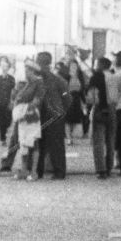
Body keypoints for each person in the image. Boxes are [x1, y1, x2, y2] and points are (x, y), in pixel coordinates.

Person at [32, 51, 70, 179]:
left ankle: (38, 171)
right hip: (56, 115)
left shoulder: (37, 78)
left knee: (39, 144)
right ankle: (59, 172)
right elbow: (68, 98)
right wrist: (62, 110)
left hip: (40, 115)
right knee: (57, 145)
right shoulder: (59, 79)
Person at [88, 55, 115, 179]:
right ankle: (109, 167)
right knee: (110, 140)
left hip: (99, 108)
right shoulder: (114, 76)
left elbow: (91, 94)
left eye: (96, 64)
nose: (95, 66)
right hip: (113, 109)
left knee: (98, 140)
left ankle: (101, 169)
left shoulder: (96, 77)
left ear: (102, 65)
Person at [0, 56, 16, 148]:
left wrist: (12, 101)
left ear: (8, 68)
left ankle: (4, 132)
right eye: (3, 67)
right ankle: (3, 138)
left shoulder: (12, 79)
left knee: (8, 121)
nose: (4, 68)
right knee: (1, 121)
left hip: (8, 102)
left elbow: (13, 91)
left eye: (6, 67)